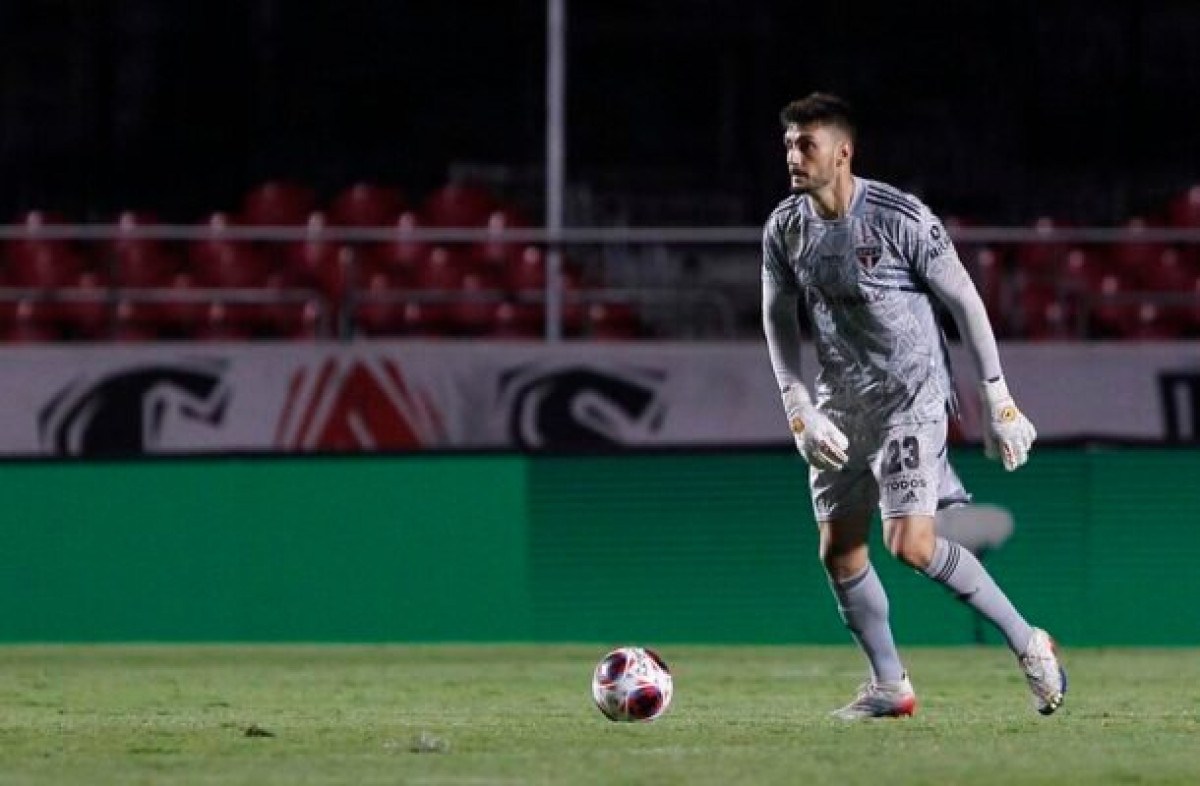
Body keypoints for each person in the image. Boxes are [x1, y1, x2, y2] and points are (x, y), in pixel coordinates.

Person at [760, 92, 1066, 719]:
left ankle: (1029, 643)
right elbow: (776, 315)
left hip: (912, 398)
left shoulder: (900, 216)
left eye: (806, 143)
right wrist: (796, 404)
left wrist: (998, 397)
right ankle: (890, 685)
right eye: (789, 142)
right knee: (839, 550)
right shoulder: (785, 227)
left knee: (911, 544)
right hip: (840, 404)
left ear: (842, 151)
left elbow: (965, 300)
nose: (793, 154)